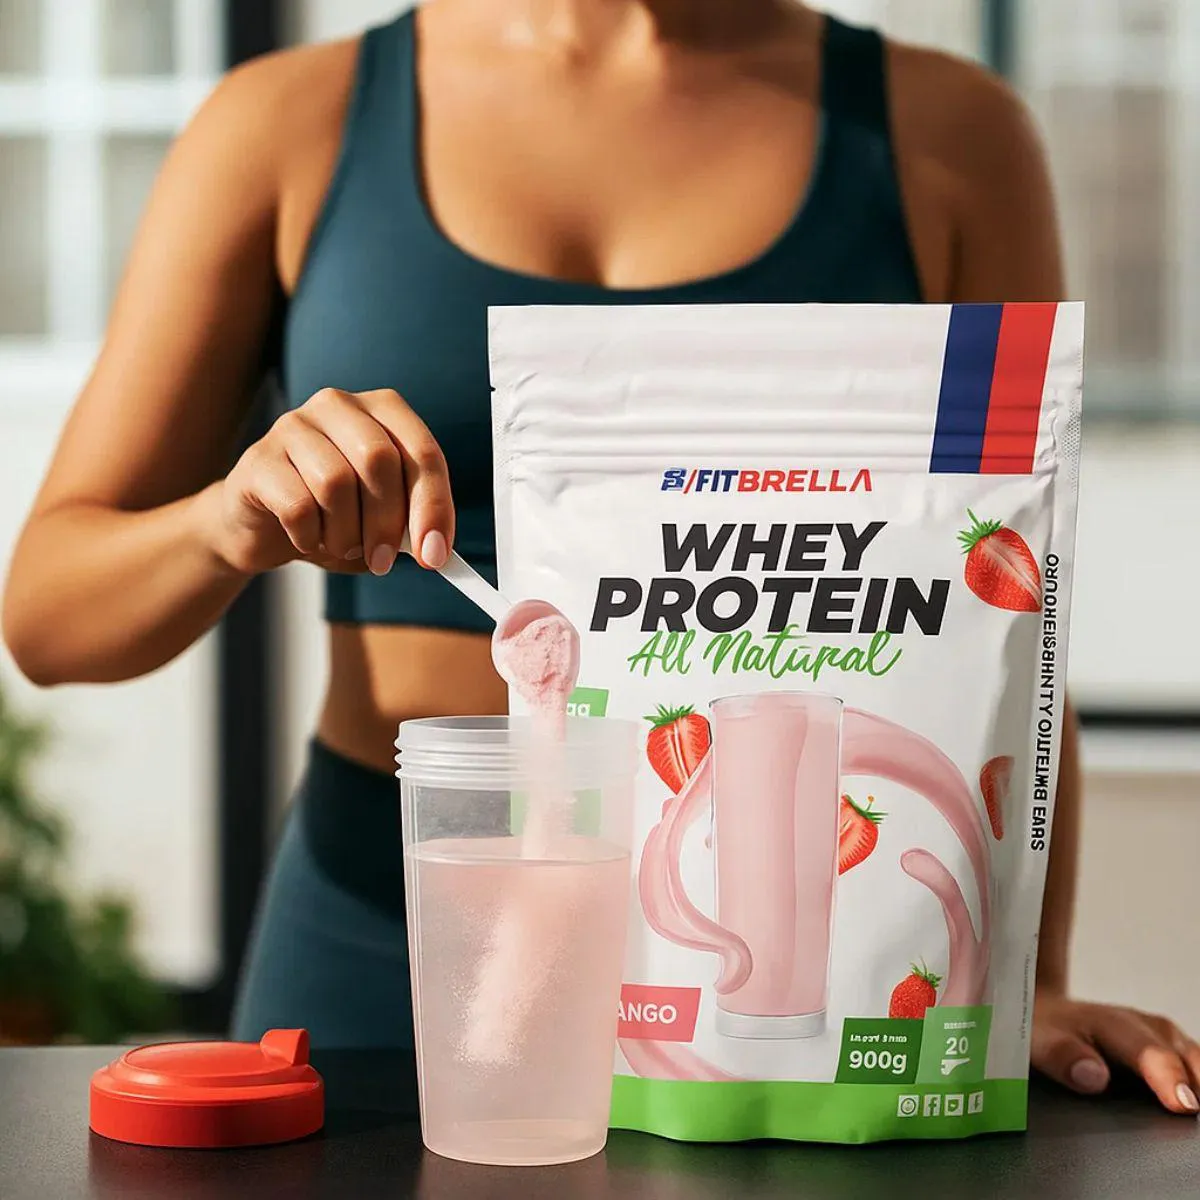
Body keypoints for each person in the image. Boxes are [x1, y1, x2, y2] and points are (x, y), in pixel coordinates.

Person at [3, 0, 1197, 1115]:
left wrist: (1020, 985)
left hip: (812, 952)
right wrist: (226, 521)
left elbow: (1012, 628)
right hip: (393, 927)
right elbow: (50, 618)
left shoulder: (951, 140)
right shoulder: (286, 126)